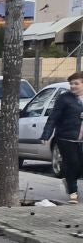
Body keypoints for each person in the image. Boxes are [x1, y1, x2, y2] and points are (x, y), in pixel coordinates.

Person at [47, 71, 83, 203]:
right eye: (71, 84)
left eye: (76, 83)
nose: (73, 86)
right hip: (66, 137)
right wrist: (46, 133)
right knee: (72, 163)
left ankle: (69, 180)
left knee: (80, 166)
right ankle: (73, 192)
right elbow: (54, 116)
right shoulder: (64, 98)